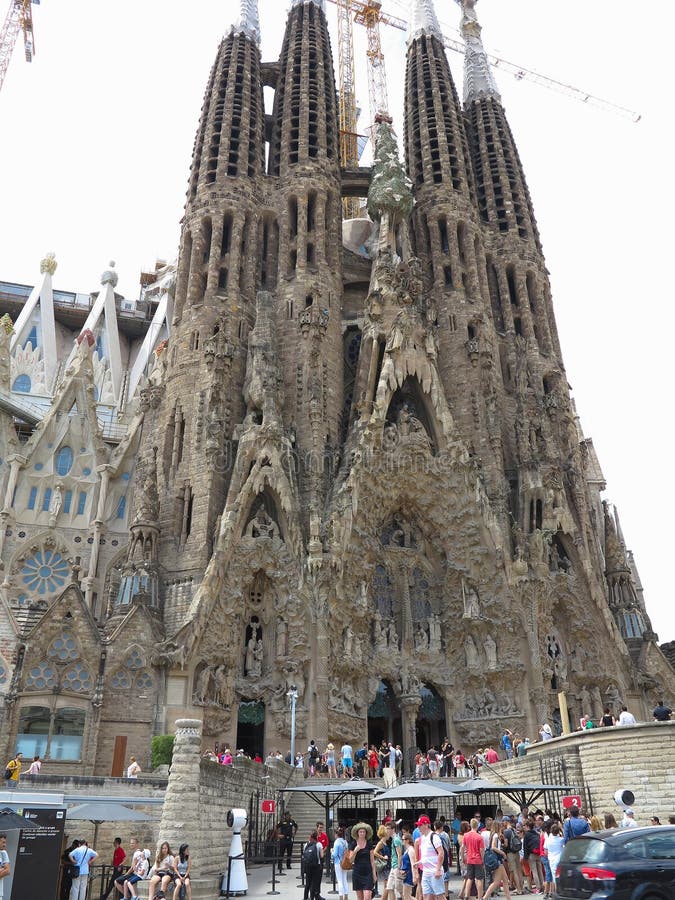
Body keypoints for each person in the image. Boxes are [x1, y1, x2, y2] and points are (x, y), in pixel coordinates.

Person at [416, 815, 444, 900]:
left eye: (420, 825)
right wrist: (420, 862)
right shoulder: (423, 838)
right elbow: (426, 855)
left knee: (440, 895)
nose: (418, 827)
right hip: (426, 872)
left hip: (434, 871)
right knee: (427, 896)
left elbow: (441, 853)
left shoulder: (434, 837)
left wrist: (438, 869)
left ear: (426, 825)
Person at [482, 821, 510, 900]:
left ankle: (508, 898)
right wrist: (503, 853)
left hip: (497, 859)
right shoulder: (495, 836)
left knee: (505, 880)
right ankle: (484, 897)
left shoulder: (493, 835)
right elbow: (493, 847)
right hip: (498, 859)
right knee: (497, 881)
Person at [348, 822, 376, 900]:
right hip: (357, 873)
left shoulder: (369, 844)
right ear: (357, 833)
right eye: (360, 832)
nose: (362, 833)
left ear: (366, 833)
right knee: (360, 898)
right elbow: (350, 860)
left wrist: (374, 874)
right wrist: (355, 851)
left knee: (367, 896)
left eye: (364, 832)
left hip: (368, 873)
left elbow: (372, 861)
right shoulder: (353, 844)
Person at [461, 818, 484, 900]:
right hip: (477, 859)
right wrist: (482, 859)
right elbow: (481, 850)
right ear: (477, 825)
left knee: (469, 878)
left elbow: (462, 847)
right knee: (479, 879)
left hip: (469, 859)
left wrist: (463, 857)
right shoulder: (479, 837)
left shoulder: (466, 835)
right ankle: (480, 896)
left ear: (470, 825)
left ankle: (466, 895)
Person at [303, 831, 324, 900]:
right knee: (314, 884)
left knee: (308, 883)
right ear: (317, 837)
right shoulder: (319, 844)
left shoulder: (306, 844)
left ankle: (305, 898)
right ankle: (312, 898)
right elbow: (322, 855)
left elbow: (304, 855)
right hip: (316, 866)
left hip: (307, 866)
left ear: (310, 837)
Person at [543, 824, 564, 891]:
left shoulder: (547, 840)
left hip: (552, 859)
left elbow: (545, 852)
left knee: (554, 877)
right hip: (560, 859)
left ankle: (556, 891)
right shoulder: (561, 840)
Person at [332, 826, 350, 900]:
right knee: (344, 879)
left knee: (339, 881)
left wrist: (331, 852)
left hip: (338, 863)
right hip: (344, 862)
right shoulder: (345, 842)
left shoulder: (337, 842)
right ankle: (346, 896)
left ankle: (341, 897)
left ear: (336, 834)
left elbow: (335, 854)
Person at [400, 833, 418, 900]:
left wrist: (414, 876)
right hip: (406, 874)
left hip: (409, 874)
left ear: (407, 840)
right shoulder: (408, 850)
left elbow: (413, 864)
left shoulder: (411, 850)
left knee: (406, 896)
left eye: (403, 839)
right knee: (406, 896)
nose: (402, 841)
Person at [0, 834, 10, 900]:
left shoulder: (3, 853)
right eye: (3, 842)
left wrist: (3, 869)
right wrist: (2, 869)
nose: (5, 845)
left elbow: (7, 871)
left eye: (5, 842)